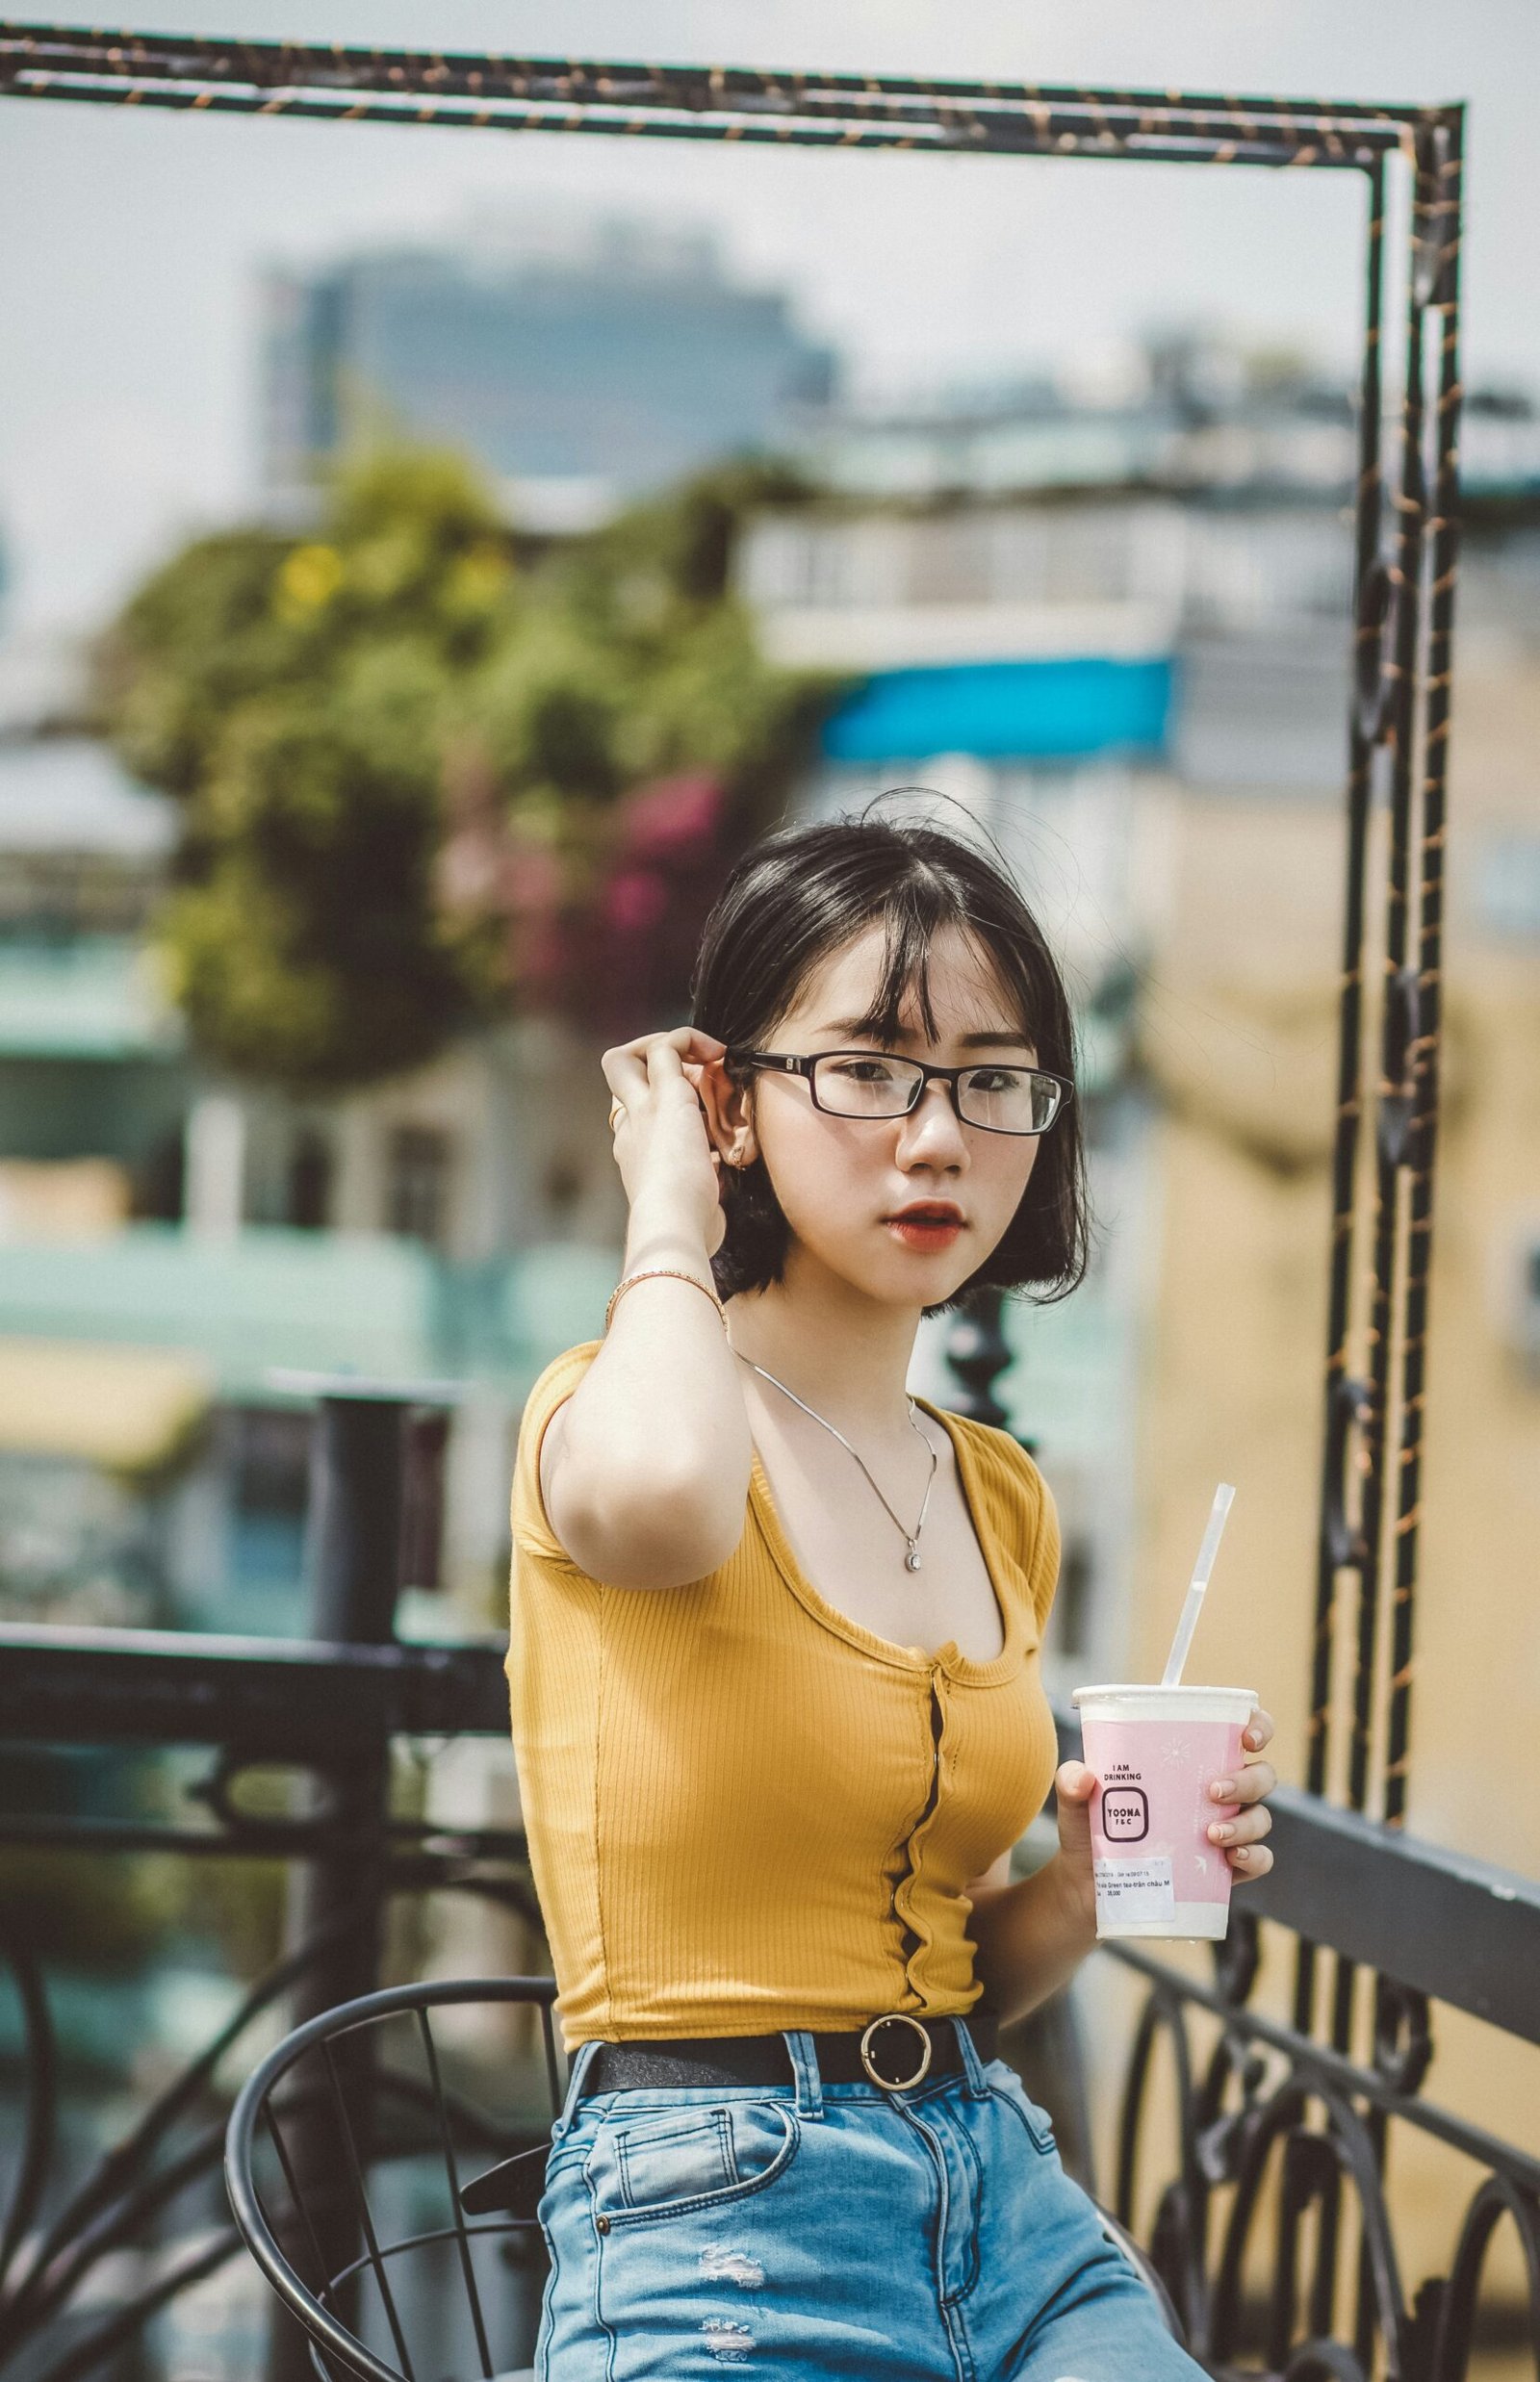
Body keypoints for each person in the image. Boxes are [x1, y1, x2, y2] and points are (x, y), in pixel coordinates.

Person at [507, 811, 1276, 2379]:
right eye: (867, 1069)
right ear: (730, 1101)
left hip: (998, 2192)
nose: (937, 1139)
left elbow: (943, 1976)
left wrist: (1077, 1886)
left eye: (993, 1080)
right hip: (715, 2214)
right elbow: (658, 1509)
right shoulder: (613, 1415)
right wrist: (668, 1206)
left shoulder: (997, 1492)